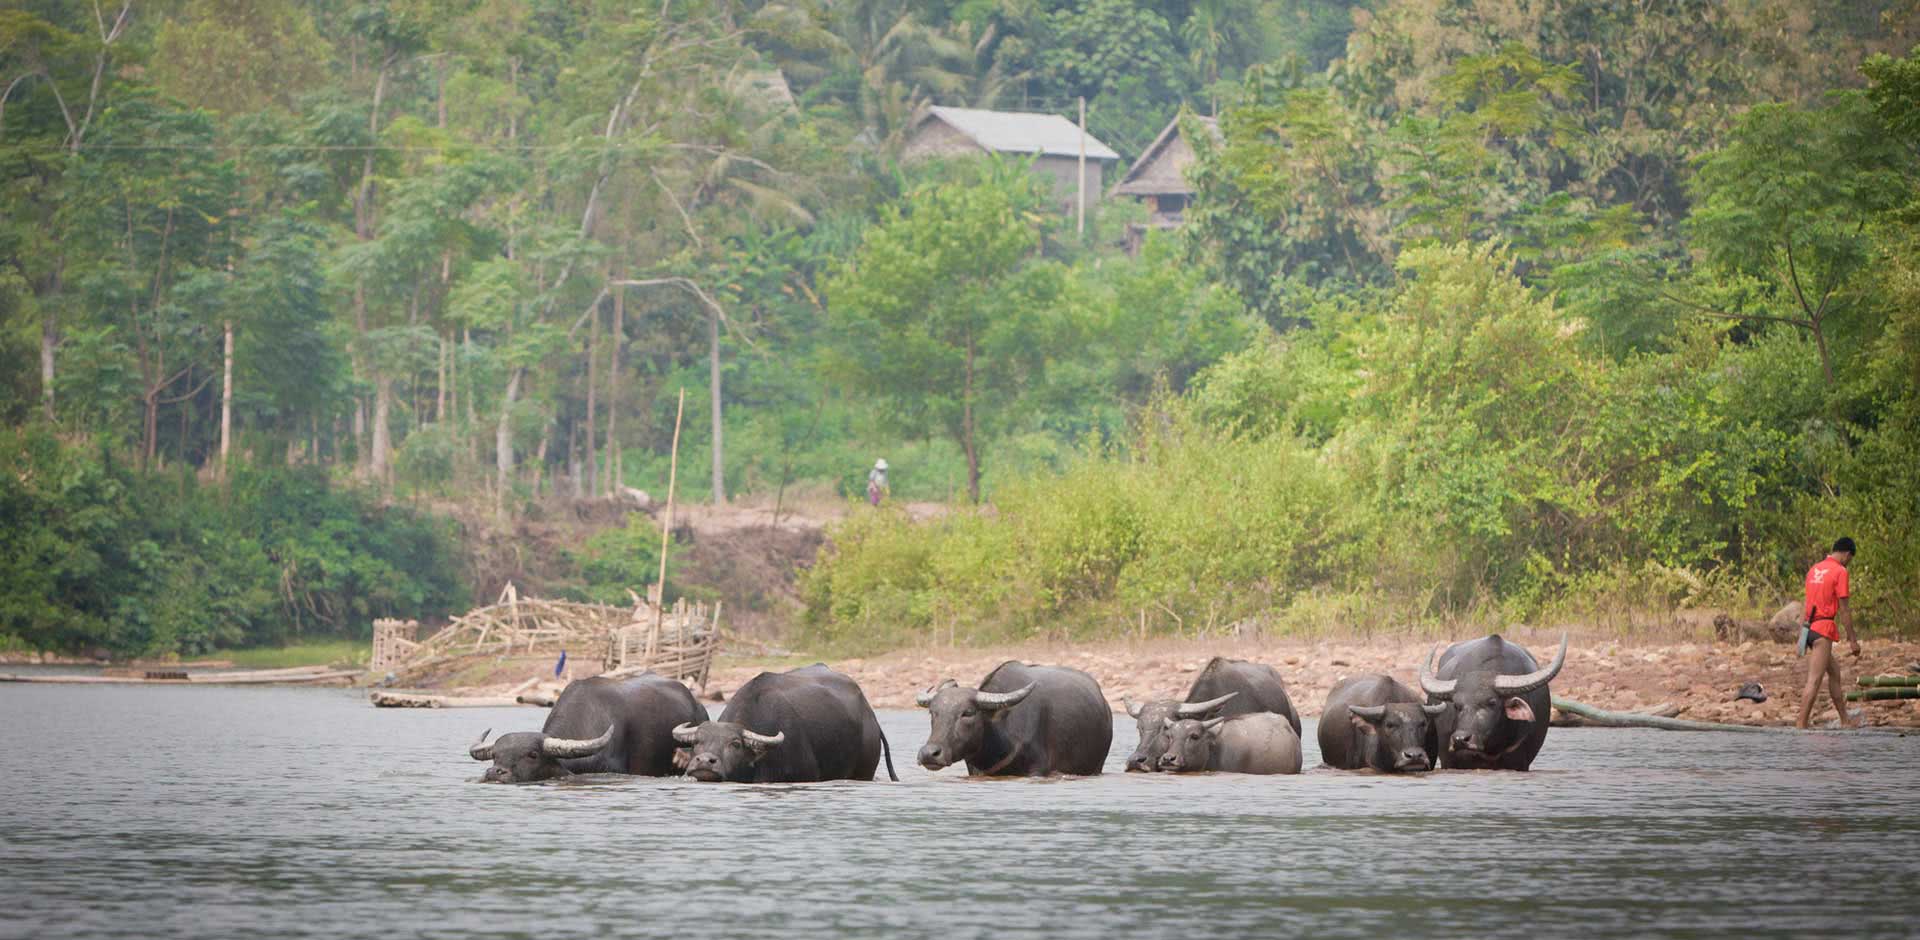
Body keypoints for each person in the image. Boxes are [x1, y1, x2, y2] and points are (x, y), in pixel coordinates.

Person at [1796, 536, 1860, 729]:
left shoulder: (1814, 569)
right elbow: (1844, 609)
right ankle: (1800, 725)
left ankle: (1845, 720)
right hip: (1823, 629)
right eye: (1850, 559)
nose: (1849, 562)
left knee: (1834, 671)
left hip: (1809, 628)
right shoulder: (1840, 571)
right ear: (1847, 554)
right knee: (1814, 680)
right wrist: (1853, 640)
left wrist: (1801, 637)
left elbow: (1807, 603)